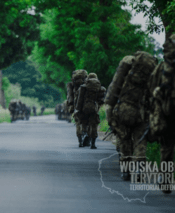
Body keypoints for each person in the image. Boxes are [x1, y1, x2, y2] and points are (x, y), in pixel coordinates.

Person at [105, 52, 157, 181]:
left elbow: (113, 91)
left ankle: (126, 170)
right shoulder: (150, 74)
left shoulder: (126, 73)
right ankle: (139, 168)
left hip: (123, 109)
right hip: (141, 112)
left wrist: (110, 116)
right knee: (140, 141)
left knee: (124, 139)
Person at [147, 35, 175, 194]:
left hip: (168, 111)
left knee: (167, 146)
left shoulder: (163, 67)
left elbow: (152, 87)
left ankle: (165, 178)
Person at [75, 73, 106, 149]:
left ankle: (83, 138)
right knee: (94, 125)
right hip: (94, 108)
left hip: (84, 108)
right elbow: (102, 100)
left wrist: (78, 109)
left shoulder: (83, 87)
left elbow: (80, 99)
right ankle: (93, 144)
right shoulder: (100, 88)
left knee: (83, 123)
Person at [67, 70, 88, 147]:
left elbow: (69, 96)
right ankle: (86, 134)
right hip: (86, 105)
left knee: (78, 123)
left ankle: (80, 140)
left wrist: (71, 106)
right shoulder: (87, 84)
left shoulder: (71, 85)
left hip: (76, 106)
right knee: (86, 121)